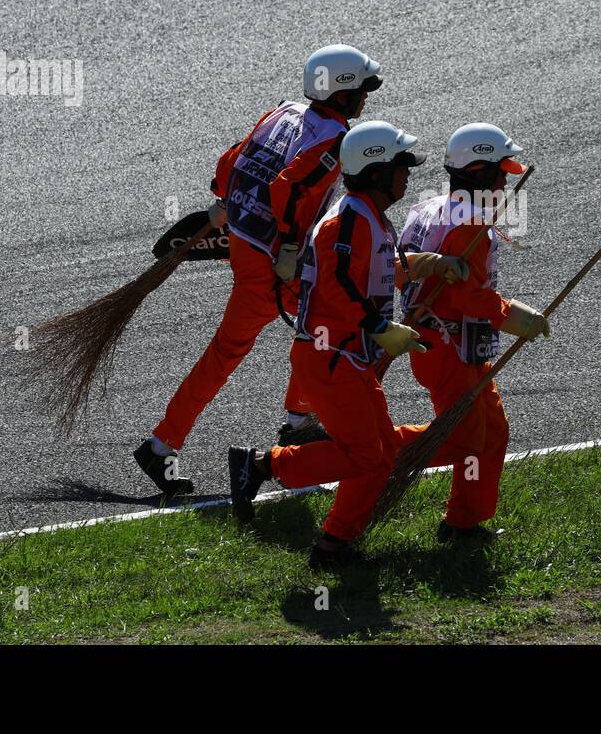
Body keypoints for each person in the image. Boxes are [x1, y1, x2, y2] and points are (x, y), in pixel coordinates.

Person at [133, 45, 381, 497]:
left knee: (300, 328)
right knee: (305, 332)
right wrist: (288, 247)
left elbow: (232, 160)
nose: (366, 99)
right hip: (273, 259)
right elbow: (289, 188)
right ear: (344, 95)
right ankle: (285, 424)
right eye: (362, 90)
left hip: (246, 243)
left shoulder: (282, 111)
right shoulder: (335, 139)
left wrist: (224, 199)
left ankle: (176, 440)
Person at [228, 121, 465, 568]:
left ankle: (333, 545)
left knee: (380, 456)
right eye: (400, 166)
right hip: (329, 357)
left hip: (347, 358)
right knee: (366, 455)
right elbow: (336, 285)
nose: (407, 174)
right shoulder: (348, 219)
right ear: (377, 171)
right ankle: (263, 467)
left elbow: (376, 273)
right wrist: (378, 325)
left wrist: (428, 265)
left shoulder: (370, 218)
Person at [393, 123, 549, 541]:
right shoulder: (470, 224)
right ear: (478, 170)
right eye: (500, 172)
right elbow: (467, 299)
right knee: (463, 438)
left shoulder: (429, 207)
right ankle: (331, 456)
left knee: (491, 431)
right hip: (447, 346)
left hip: (449, 342)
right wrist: (516, 317)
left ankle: (464, 522)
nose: (504, 181)